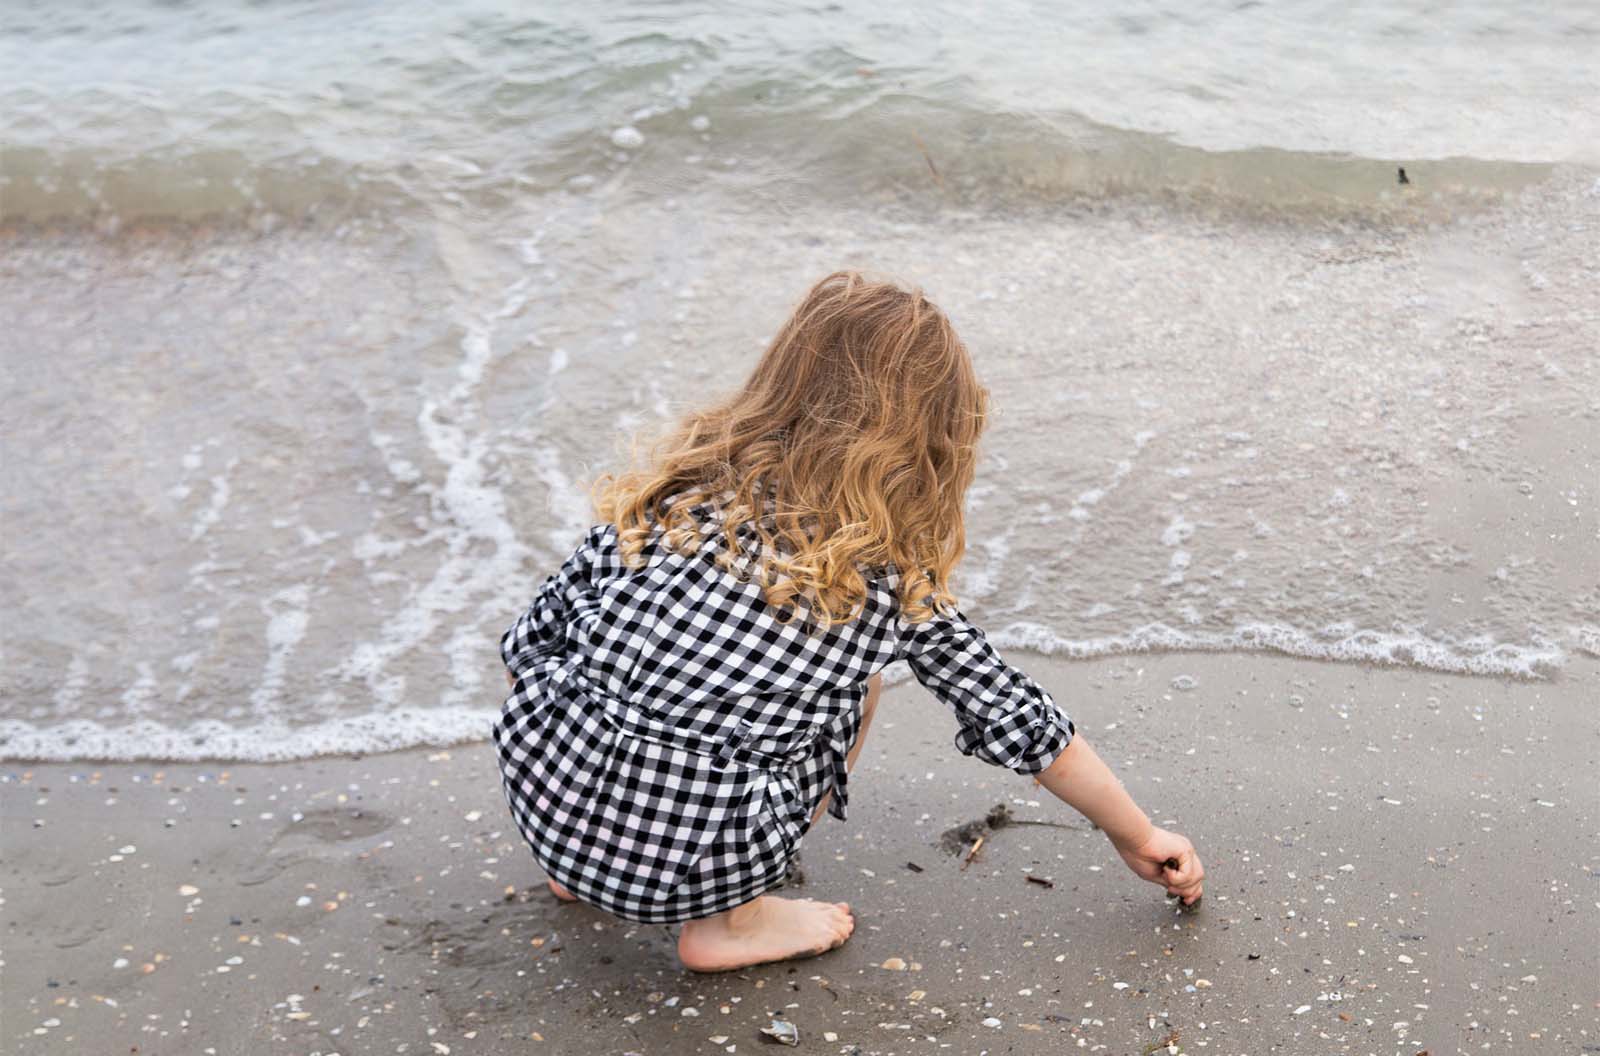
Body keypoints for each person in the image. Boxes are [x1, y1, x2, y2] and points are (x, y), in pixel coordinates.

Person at [493, 270, 1204, 973]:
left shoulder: (675, 495)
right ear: (926, 441)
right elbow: (1017, 717)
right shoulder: (883, 581)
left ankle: (582, 867)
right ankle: (732, 923)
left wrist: (585, 773)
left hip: (546, 798)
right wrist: (1136, 834)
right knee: (857, 688)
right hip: (692, 857)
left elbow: (529, 642)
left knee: (596, 667)